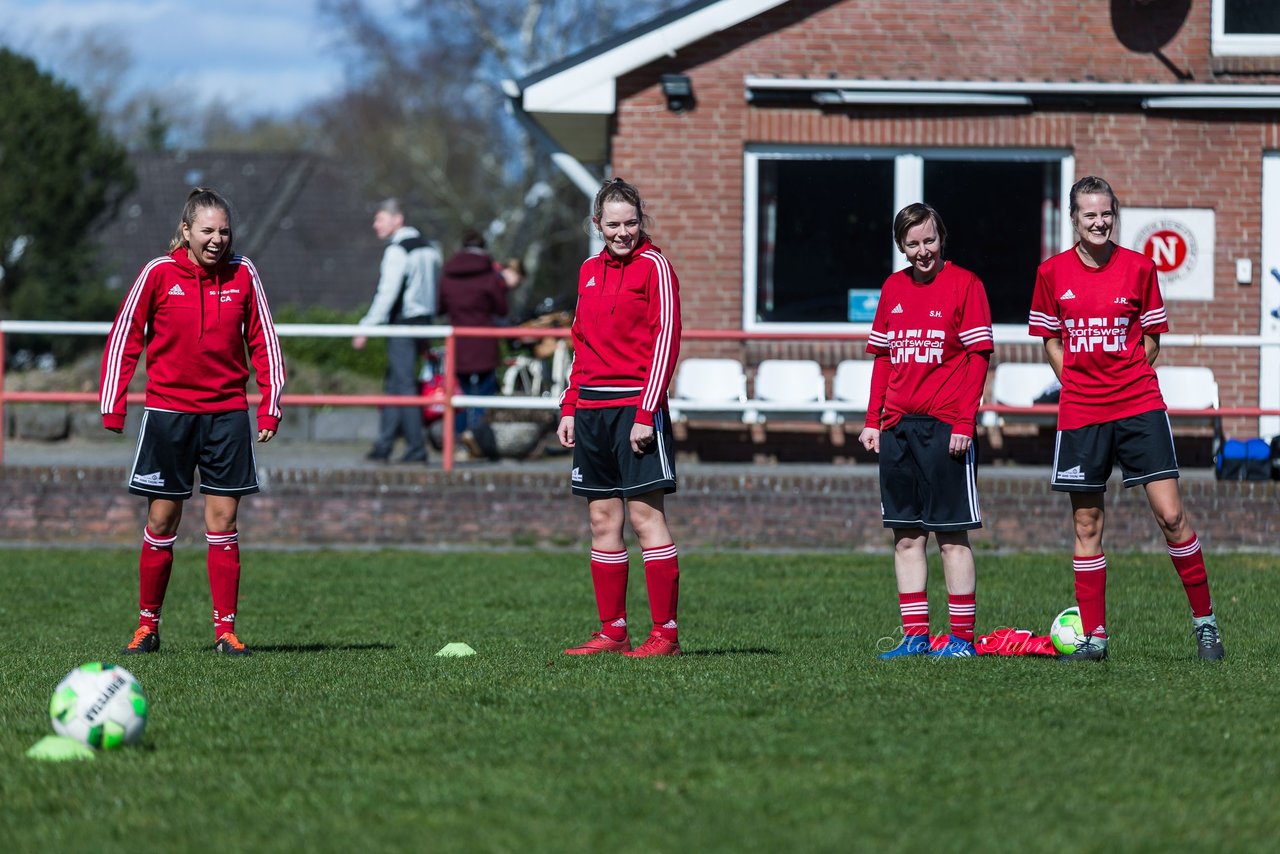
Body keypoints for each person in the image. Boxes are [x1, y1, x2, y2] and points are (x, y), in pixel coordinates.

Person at [1029, 175, 1224, 662]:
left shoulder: (1139, 268)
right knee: (1088, 523)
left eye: (1106, 214)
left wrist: (1129, 372)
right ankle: (1095, 638)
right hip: (1081, 412)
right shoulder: (1051, 273)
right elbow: (1051, 339)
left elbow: (1152, 336)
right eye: (1089, 214)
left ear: (1114, 216)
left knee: (1172, 515)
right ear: (1073, 219)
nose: (1098, 222)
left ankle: (1206, 625)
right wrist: (1072, 378)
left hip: (1138, 405)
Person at [100, 187, 285, 657]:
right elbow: (125, 336)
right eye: (208, 230)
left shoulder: (245, 274)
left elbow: (265, 340)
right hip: (168, 415)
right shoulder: (158, 274)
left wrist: (269, 403)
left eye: (224, 231)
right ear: (186, 232)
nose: (218, 239)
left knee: (224, 520)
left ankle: (225, 632)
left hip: (226, 414)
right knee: (162, 519)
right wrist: (113, 404)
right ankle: (147, 628)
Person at [859, 203, 994, 659]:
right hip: (896, 427)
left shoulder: (966, 284)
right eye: (913, 244)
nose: (923, 251)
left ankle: (960, 641)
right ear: (901, 246)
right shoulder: (893, 287)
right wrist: (872, 420)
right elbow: (882, 359)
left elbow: (978, 358)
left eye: (929, 240)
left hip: (945, 430)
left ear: (942, 238)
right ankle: (915, 638)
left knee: (951, 537)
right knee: (906, 536)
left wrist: (964, 422)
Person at [557, 178, 683, 657]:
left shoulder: (656, 268)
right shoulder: (588, 270)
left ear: (641, 222)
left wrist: (646, 412)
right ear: (597, 225)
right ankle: (612, 632)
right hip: (591, 410)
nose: (623, 232)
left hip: (636, 409)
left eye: (631, 222)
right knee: (601, 519)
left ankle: (664, 635)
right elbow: (580, 344)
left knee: (646, 518)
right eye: (613, 224)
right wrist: (569, 407)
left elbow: (665, 341)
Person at [353, 198, 442, 463]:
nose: (375, 224)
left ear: (397, 220)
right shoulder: (430, 249)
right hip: (423, 322)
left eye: (380, 219)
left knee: (403, 387)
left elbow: (387, 294)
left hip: (403, 323)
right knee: (395, 383)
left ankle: (416, 449)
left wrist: (366, 326)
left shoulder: (397, 251)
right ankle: (384, 445)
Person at [437, 229, 508, 460]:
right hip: (484, 341)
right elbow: (501, 308)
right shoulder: (489, 275)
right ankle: (476, 438)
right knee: (484, 393)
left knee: (458, 396)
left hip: (457, 342)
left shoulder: (448, 275)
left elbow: (439, 307)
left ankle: (458, 441)